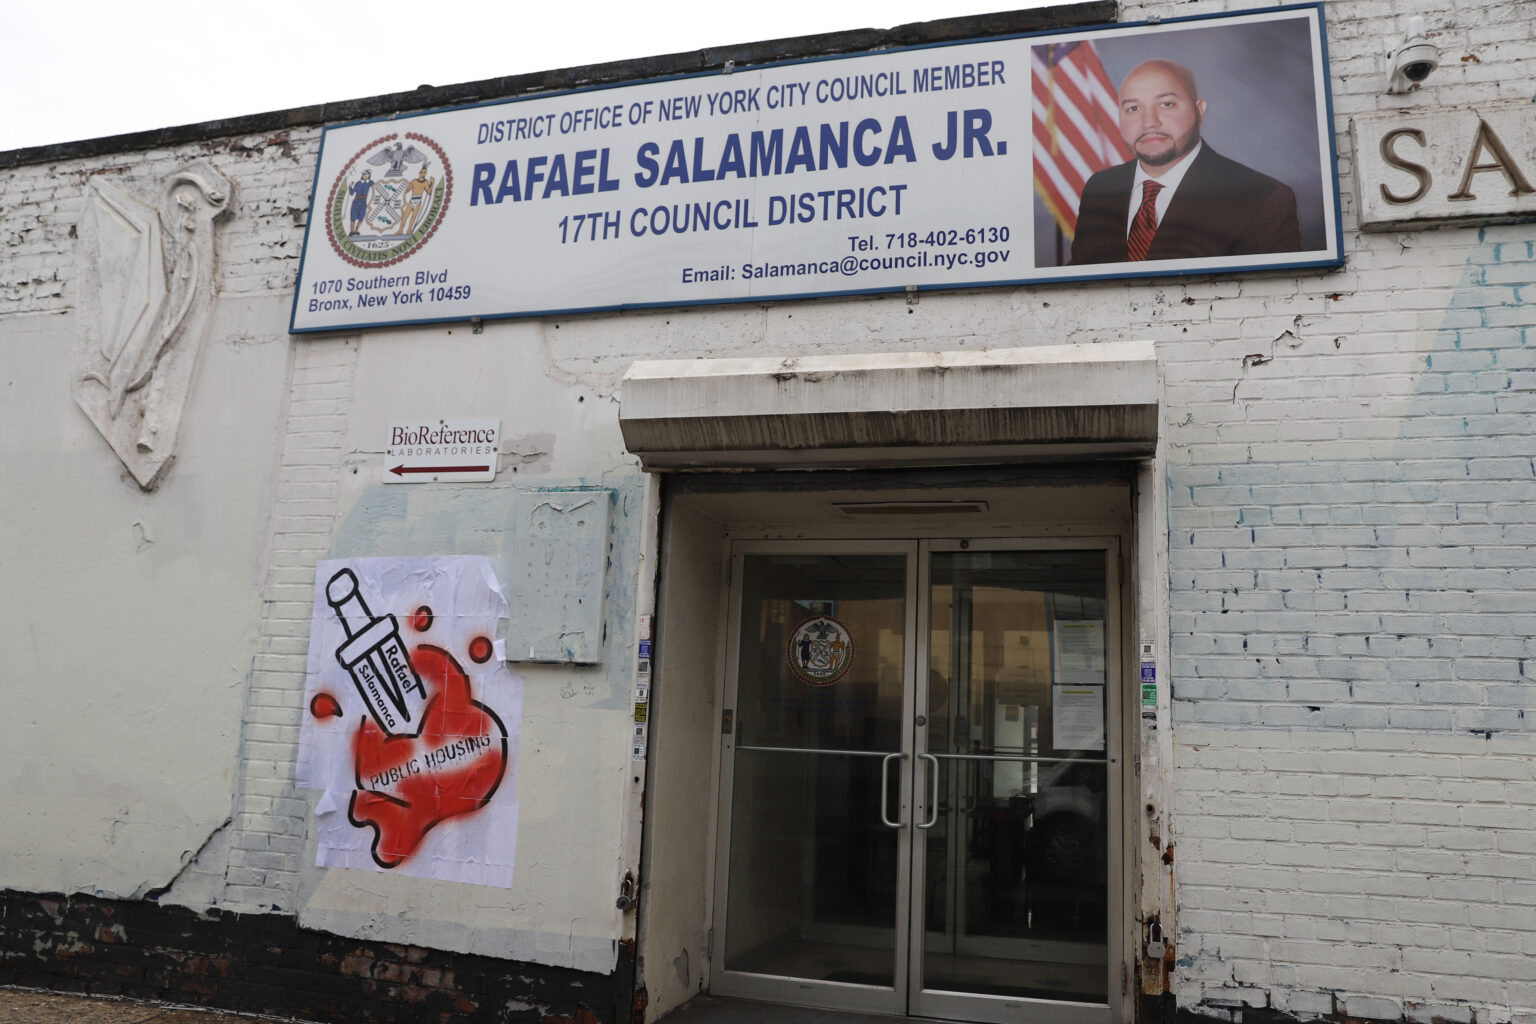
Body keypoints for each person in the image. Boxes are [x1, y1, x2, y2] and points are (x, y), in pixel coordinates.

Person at [1068, 59, 1301, 266]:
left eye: (1166, 104)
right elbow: (1082, 284)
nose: (1149, 122)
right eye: (1133, 108)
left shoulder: (1263, 199)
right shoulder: (1100, 188)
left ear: (1199, 111)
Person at [348, 170, 373, 235]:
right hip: (356, 202)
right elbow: (351, 193)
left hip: (363, 202)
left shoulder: (370, 182)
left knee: (361, 217)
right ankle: (351, 231)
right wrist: (350, 187)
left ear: (369, 175)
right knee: (353, 217)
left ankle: (356, 230)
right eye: (364, 174)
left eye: (367, 174)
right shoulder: (358, 183)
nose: (366, 175)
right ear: (362, 175)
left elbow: (375, 187)